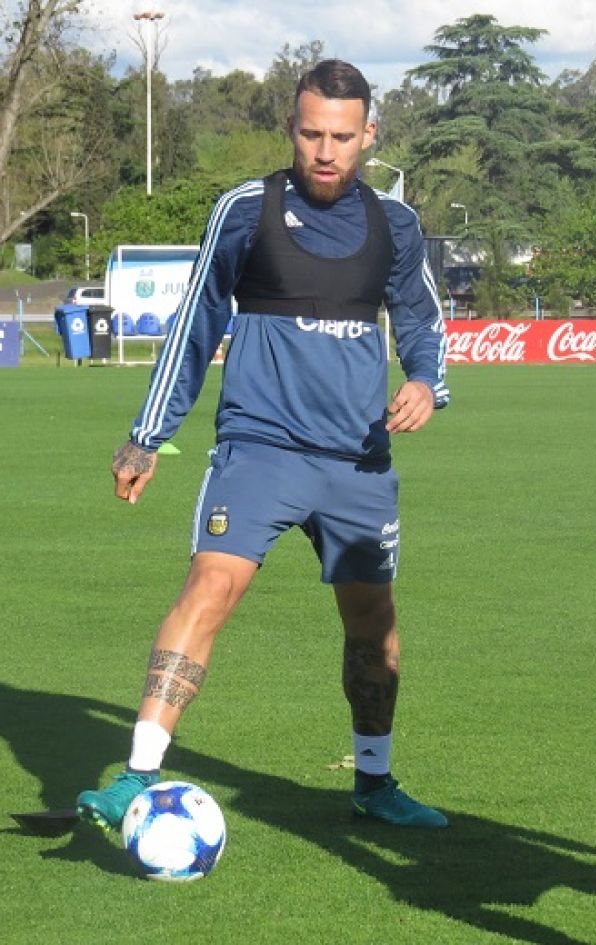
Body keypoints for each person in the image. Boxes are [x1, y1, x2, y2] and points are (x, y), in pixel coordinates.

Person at [77, 59, 450, 832]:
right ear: (291, 128)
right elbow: (196, 322)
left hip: (358, 461)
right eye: (311, 132)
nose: (325, 150)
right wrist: (148, 436)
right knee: (210, 588)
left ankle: (374, 783)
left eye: (342, 136)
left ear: (369, 136)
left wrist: (424, 382)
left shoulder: (397, 226)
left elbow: (420, 320)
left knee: (372, 625)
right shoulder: (245, 210)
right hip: (260, 448)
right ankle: (136, 773)